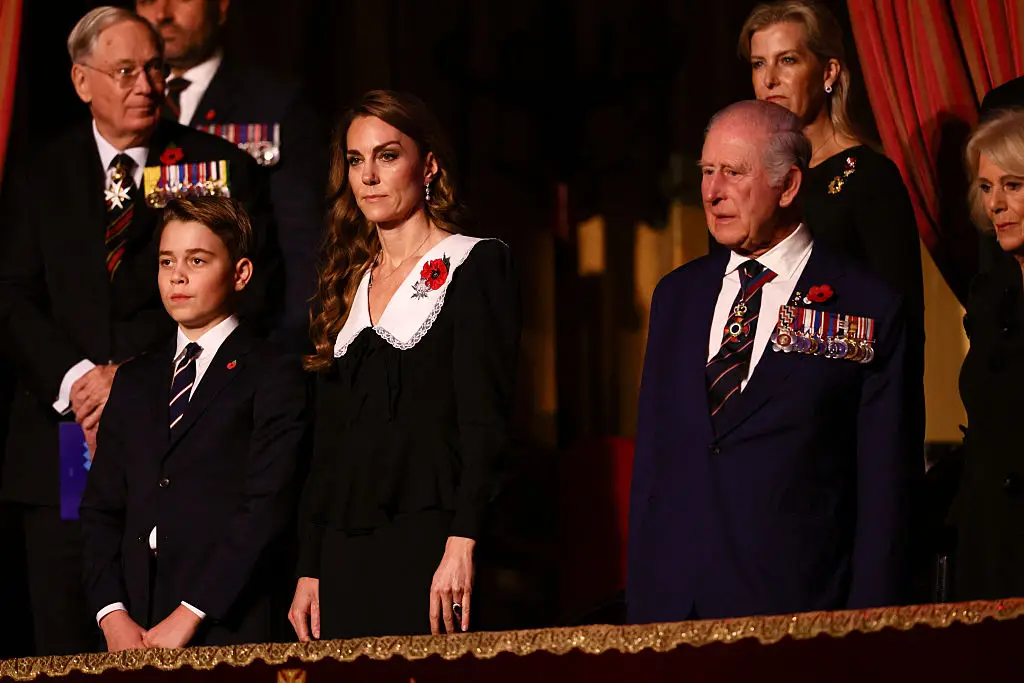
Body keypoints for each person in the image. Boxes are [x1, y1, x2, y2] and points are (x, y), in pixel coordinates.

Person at [0, 6, 273, 655]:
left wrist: (131, 376)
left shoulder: (217, 166)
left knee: (164, 633)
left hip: (176, 430)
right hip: (69, 436)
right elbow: (12, 296)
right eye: (125, 71)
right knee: (71, 621)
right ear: (81, 80)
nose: (146, 84)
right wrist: (79, 382)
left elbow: (251, 294)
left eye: (155, 68)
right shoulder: (40, 173)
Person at [627, 100, 915, 623]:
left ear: (788, 186)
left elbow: (883, 489)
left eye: (734, 173)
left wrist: (868, 628)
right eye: (707, 172)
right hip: (673, 615)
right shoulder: (677, 296)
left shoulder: (865, 304)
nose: (712, 192)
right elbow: (652, 463)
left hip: (798, 615)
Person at [287, 90, 520, 640]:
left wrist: (464, 541)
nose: (368, 175)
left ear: (429, 165)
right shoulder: (344, 284)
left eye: (387, 156)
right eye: (355, 160)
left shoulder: (473, 263)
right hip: (345, 548)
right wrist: (309, 564)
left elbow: (485, 422)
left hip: (432, 540)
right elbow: (327, 446)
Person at [80, 197, 307, 650]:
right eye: (167, 261)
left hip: (226, 623)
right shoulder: (133, 380)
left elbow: (265, 507)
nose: (177, 276)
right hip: (135, 625)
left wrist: (192, 611)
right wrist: (111, 614)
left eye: (197, 261)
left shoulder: (272, 373)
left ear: (240, 272)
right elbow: (100, 508)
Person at [739, 0, 925, 452]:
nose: (769, 80)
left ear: (828, 72)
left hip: (838, 427)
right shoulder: (748, 181)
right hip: (755, 421)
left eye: (787, 60)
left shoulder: (869, 178)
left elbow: (899, 329)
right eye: (759, 63)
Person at [136, 0, 327, 350]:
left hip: (245, 348)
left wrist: (284, 352)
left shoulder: (274, 103)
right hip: (142, 356)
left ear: (221, 8)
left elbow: (304, 246)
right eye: (147, 0)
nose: (161, 14)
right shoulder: (120, 109)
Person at [950, 109, 1024, 601]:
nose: (996, 203)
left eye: (1013, 185)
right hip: (988, 541)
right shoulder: (989, 295)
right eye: (985, 187)